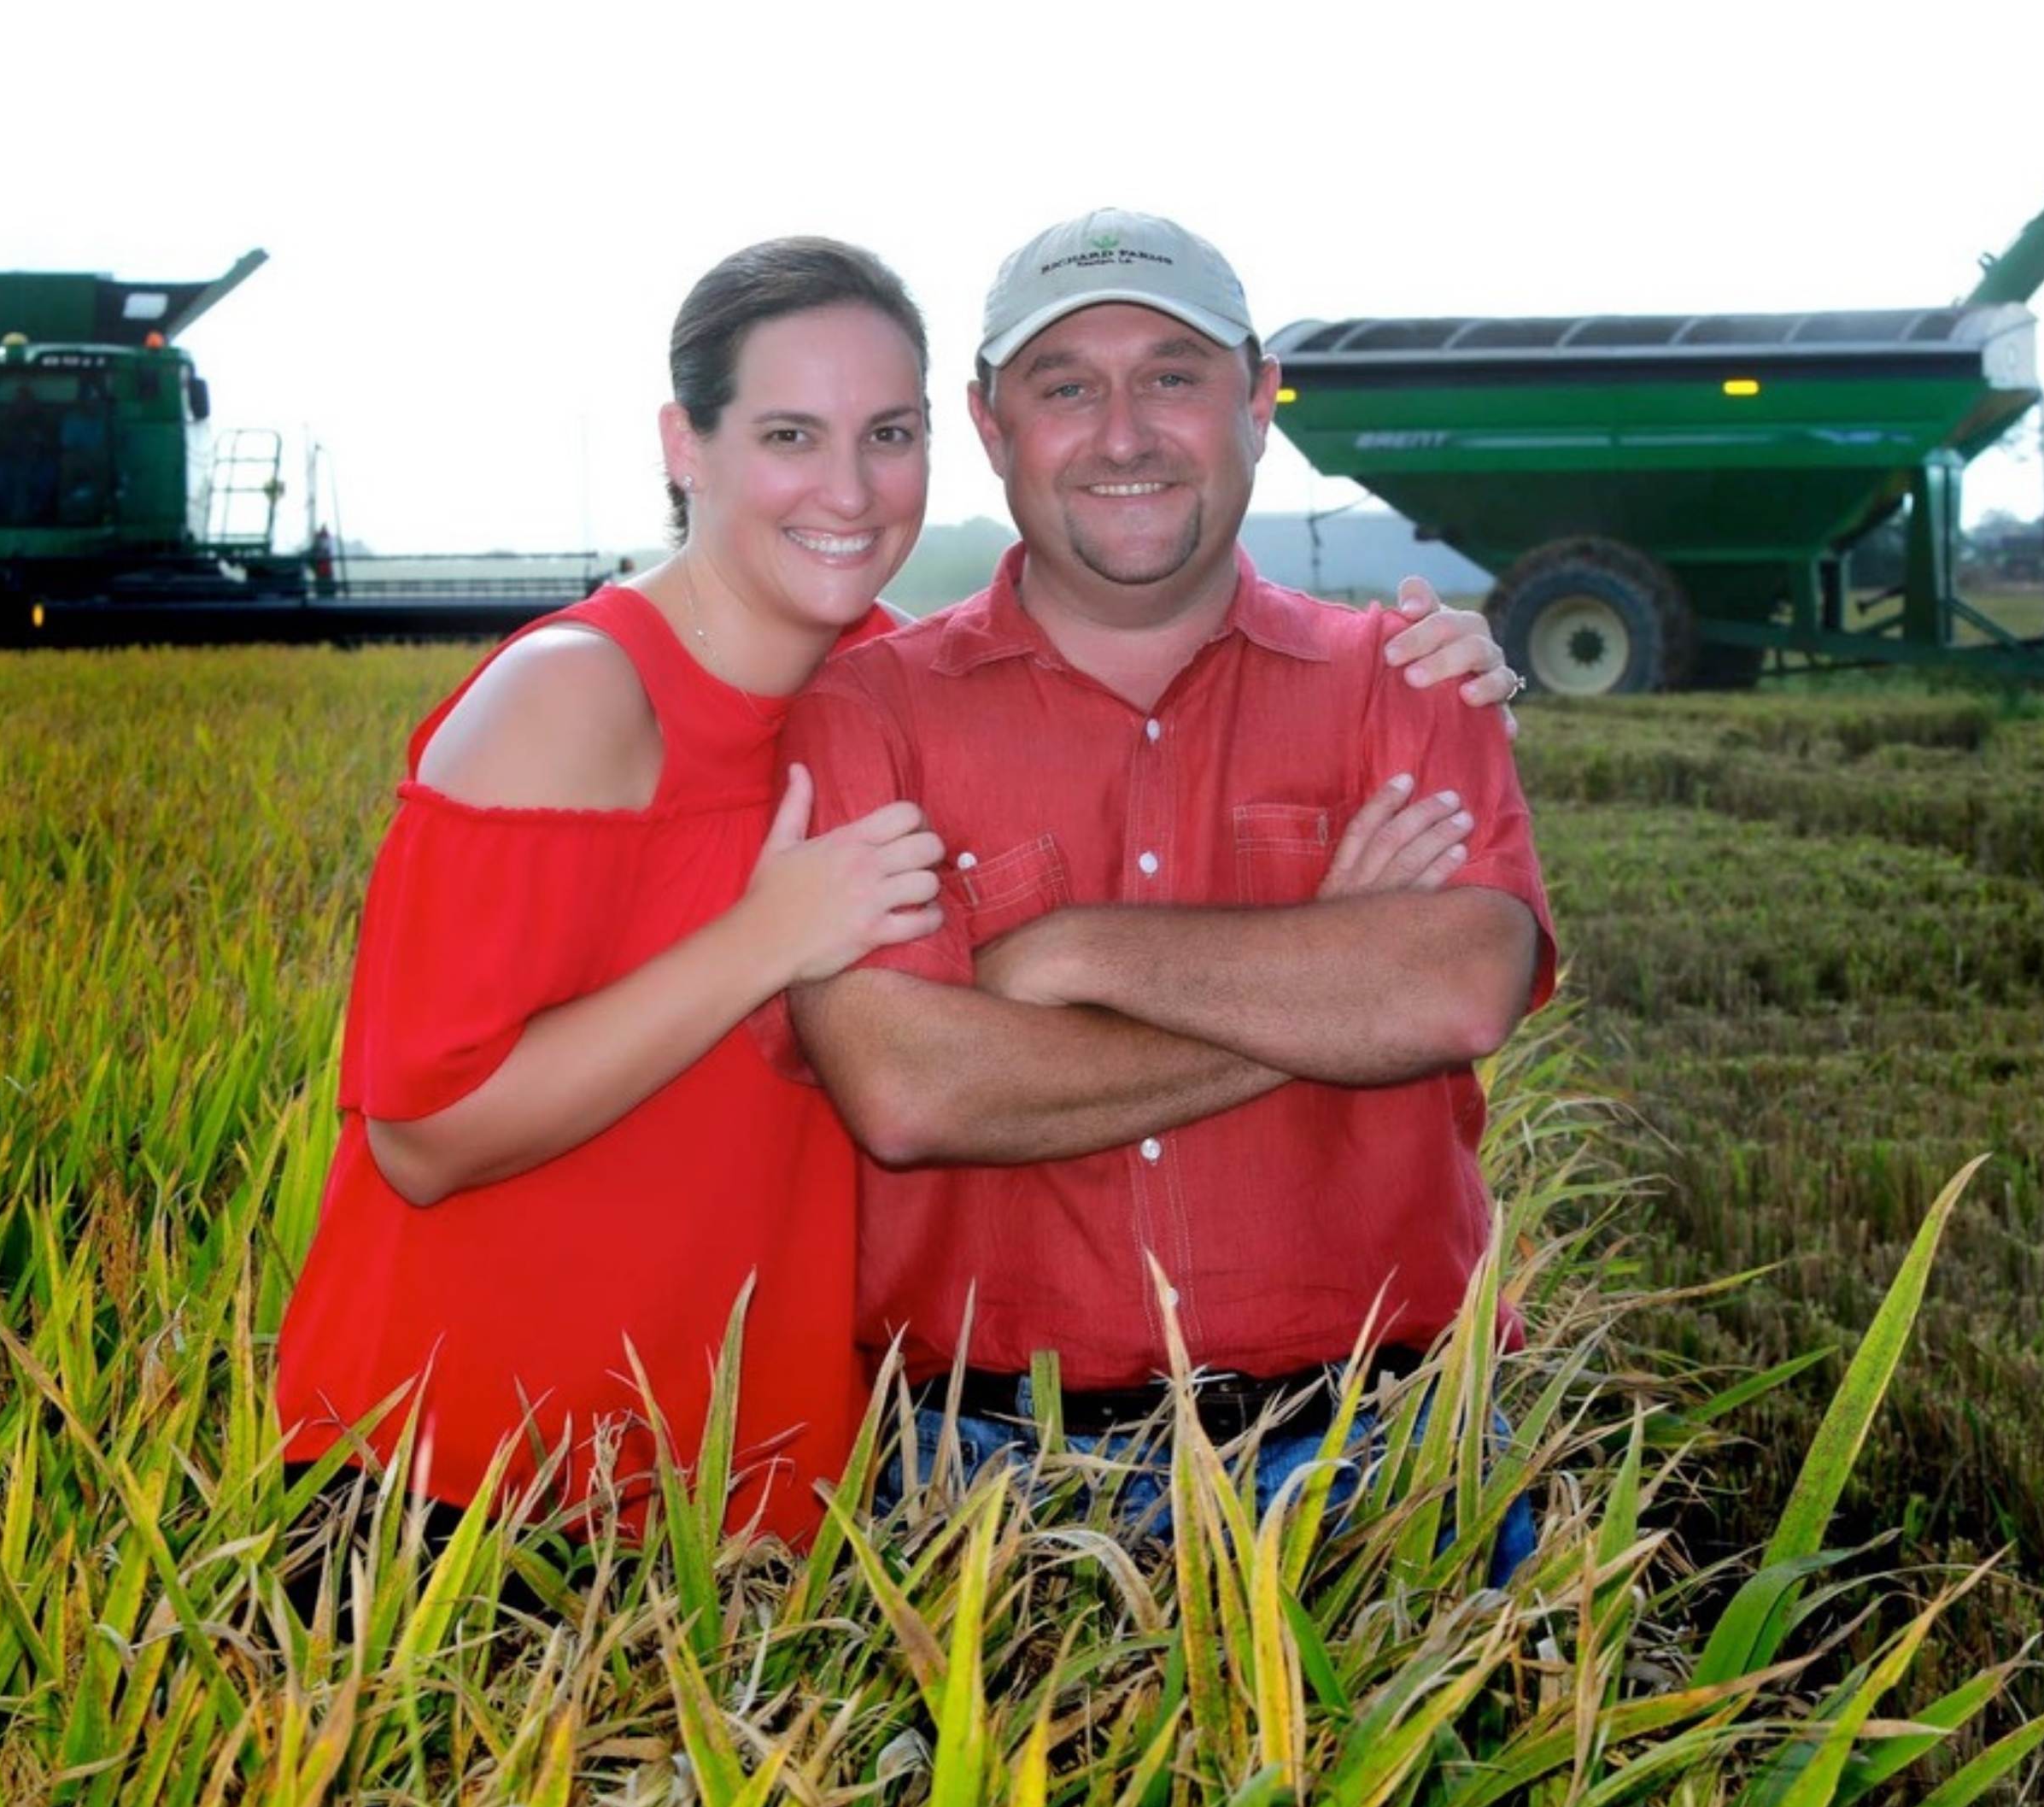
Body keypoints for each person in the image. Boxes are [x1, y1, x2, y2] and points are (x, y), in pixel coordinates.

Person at [273, 233, 1520, 1554]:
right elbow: (425, 1133)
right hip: (466, 1464)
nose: (853, 489)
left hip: (748, 1484)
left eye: (887, 433)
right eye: (792, 435)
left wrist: (1126, 956)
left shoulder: (878, 688)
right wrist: (1326, 988)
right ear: (685, 445)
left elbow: (1451, 980)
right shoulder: (574, 694)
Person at [778, 210, 1557, 1575]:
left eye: (1174, 376)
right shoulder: (864, 710)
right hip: (990, 1479)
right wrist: (1320, 971)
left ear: (1258, 401)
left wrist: (1070, 951)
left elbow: (1452, 989)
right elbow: (914, 1093)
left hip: (1385, 1449)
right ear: (990, 422)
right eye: (1067, 385)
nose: (1123, 432)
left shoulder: (1413, 680)